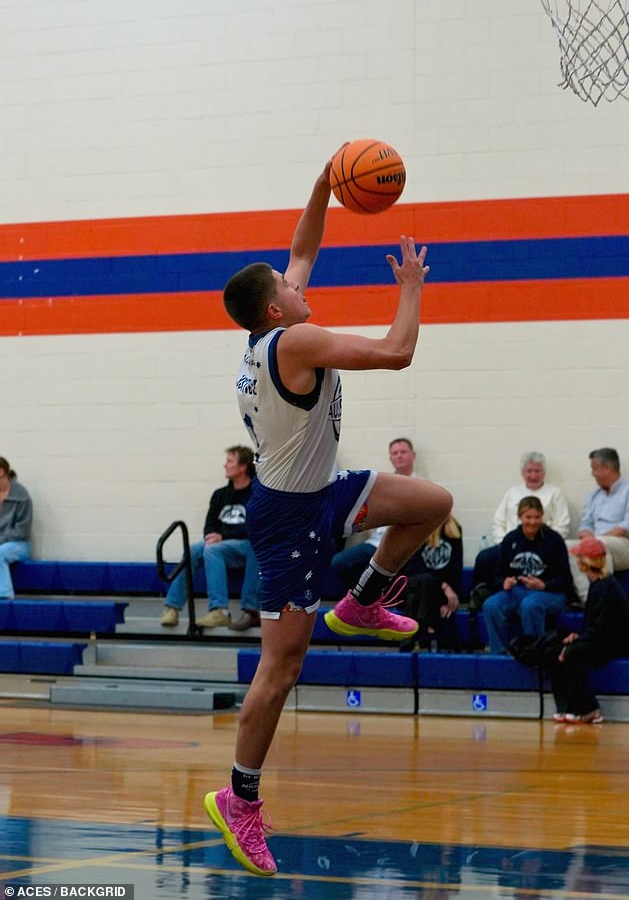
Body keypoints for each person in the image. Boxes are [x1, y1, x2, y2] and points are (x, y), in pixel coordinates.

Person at [203, 154, 452, 877]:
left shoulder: (269, 333)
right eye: (286, 285)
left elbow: (303, 249)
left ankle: (364, 600)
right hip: (287, 517)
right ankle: (239, 799)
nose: (295, 279)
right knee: (281, 668)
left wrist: (321, 186)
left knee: (430, 503)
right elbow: (397, 352)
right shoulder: (299, 340)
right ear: (276, 309)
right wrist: (411, 289)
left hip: (323, 489)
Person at [160, 446, 261, 631]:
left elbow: (254, 527)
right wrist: (211, 536)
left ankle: (220, 611)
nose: (225, 465)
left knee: (213, 549)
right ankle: (172, 607)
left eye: (230, 461)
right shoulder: (220, 495)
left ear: (243, 467)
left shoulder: (256, 494)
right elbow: (209, 524)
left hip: (247, 545)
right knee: (194, 549)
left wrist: (223, 536)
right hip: (223, 544)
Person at [547, 537, 629, 724]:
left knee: (572, 653)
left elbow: (603, 631)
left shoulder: (605, 588)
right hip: (604, 639)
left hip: (616, 644)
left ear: (584, 563)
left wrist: (579, 642)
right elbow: (595, 627)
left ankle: (589, 709)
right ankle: (567, 707)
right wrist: (578, 637)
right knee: (557, 650)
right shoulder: (599, 585)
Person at [471, 452, 571, 607]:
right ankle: (481, 595)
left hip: (543, 545)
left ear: (544, 472)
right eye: (529, 471)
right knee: (485, 557)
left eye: (537, 471)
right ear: (522, 473)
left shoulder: (555, 492)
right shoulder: (512, 493)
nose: (533, 475)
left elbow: (562, 525)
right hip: (511, 544)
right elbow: (498, 522)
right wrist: (504, 542)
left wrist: (546, 542)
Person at [482, 496, 576, 655]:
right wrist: (504, 583)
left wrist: (544, 585)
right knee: (491, 605)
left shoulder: (554, 540)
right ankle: (498, 652)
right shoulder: (510, 539)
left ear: (542, 517)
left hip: (550, 592)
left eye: (537, 517)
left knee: (530, 605)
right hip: (518, 590)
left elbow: (566, 580)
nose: (532, 522)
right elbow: (498, 573)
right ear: (520, 517)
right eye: (528, 517)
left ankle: (534, 653)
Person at [330, 437, 419, 593]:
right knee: (340, 562)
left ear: (413, 455)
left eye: (403, 452)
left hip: (406, 545)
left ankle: (380, 596)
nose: (399, 456)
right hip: (377, 543)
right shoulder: (385, 483)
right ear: (390, 458)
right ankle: (368, 599)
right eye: (395, 453)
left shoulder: (425, 488)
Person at [567, 448, 629, 604]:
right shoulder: (594, 496)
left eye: (594, 468)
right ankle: (588, 599)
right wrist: (589, 540)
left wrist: (596, 541)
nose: (593, 474)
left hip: (625, 545)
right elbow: (585, 524)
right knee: (568, 547)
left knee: (601, 545)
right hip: (597, 541)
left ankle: (606, 601)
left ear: (607, 468)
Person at [398, 513, 463, 652]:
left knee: (414, 598)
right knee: (425, 580)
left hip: (429, 593)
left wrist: (451, 595)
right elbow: (413, 568)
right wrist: (444, 586)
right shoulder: (417, 529)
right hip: (414, 582)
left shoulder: (455, 529)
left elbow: (456, 568)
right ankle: (429, 627)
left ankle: (412, 636)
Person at [0, 457, 32, 600]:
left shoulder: (21, 495)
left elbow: (22, 531)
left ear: (1, 472)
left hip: (19, 544)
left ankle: (5, 597)